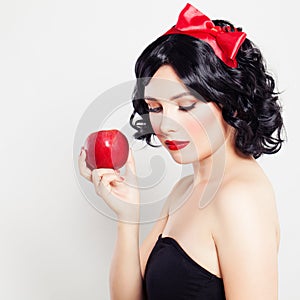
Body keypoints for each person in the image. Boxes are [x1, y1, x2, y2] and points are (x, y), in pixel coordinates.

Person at [78, 3, 284, 299]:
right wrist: (128, 216)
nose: (166, 125)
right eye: (155, 108)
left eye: (185, 105)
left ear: (231, 103)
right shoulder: (185, 188)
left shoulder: (239, 197)